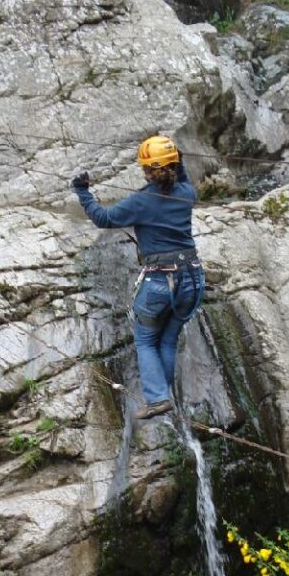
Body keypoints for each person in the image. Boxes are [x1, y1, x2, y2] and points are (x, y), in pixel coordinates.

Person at [72, 135, 204, 419]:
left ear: (146, 170)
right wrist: (176, 160)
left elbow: (104, 218)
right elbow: (183, 178)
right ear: (174, 164)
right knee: (167, 339)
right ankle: (163, 393)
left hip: (161, 281)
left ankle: (158, 398)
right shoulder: (186, 194)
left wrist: (82, 191)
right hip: (192, 279)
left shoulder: (142, 201)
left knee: (145, 340)